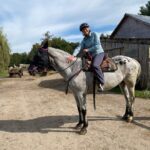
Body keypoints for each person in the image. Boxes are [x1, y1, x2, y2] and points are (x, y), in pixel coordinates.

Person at [67, 23, 104, 91]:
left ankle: (101, 83)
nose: (85, 30)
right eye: (83, 30)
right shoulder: (84, 40)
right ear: (82, 32)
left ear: (89, 28)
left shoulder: (94, 34)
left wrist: (88, 49)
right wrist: (73, 55)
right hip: (91, 56)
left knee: (95, 65)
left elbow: (97, 46)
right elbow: (79, 47)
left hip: (99, 53)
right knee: (83, 65)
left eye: (86, 28)